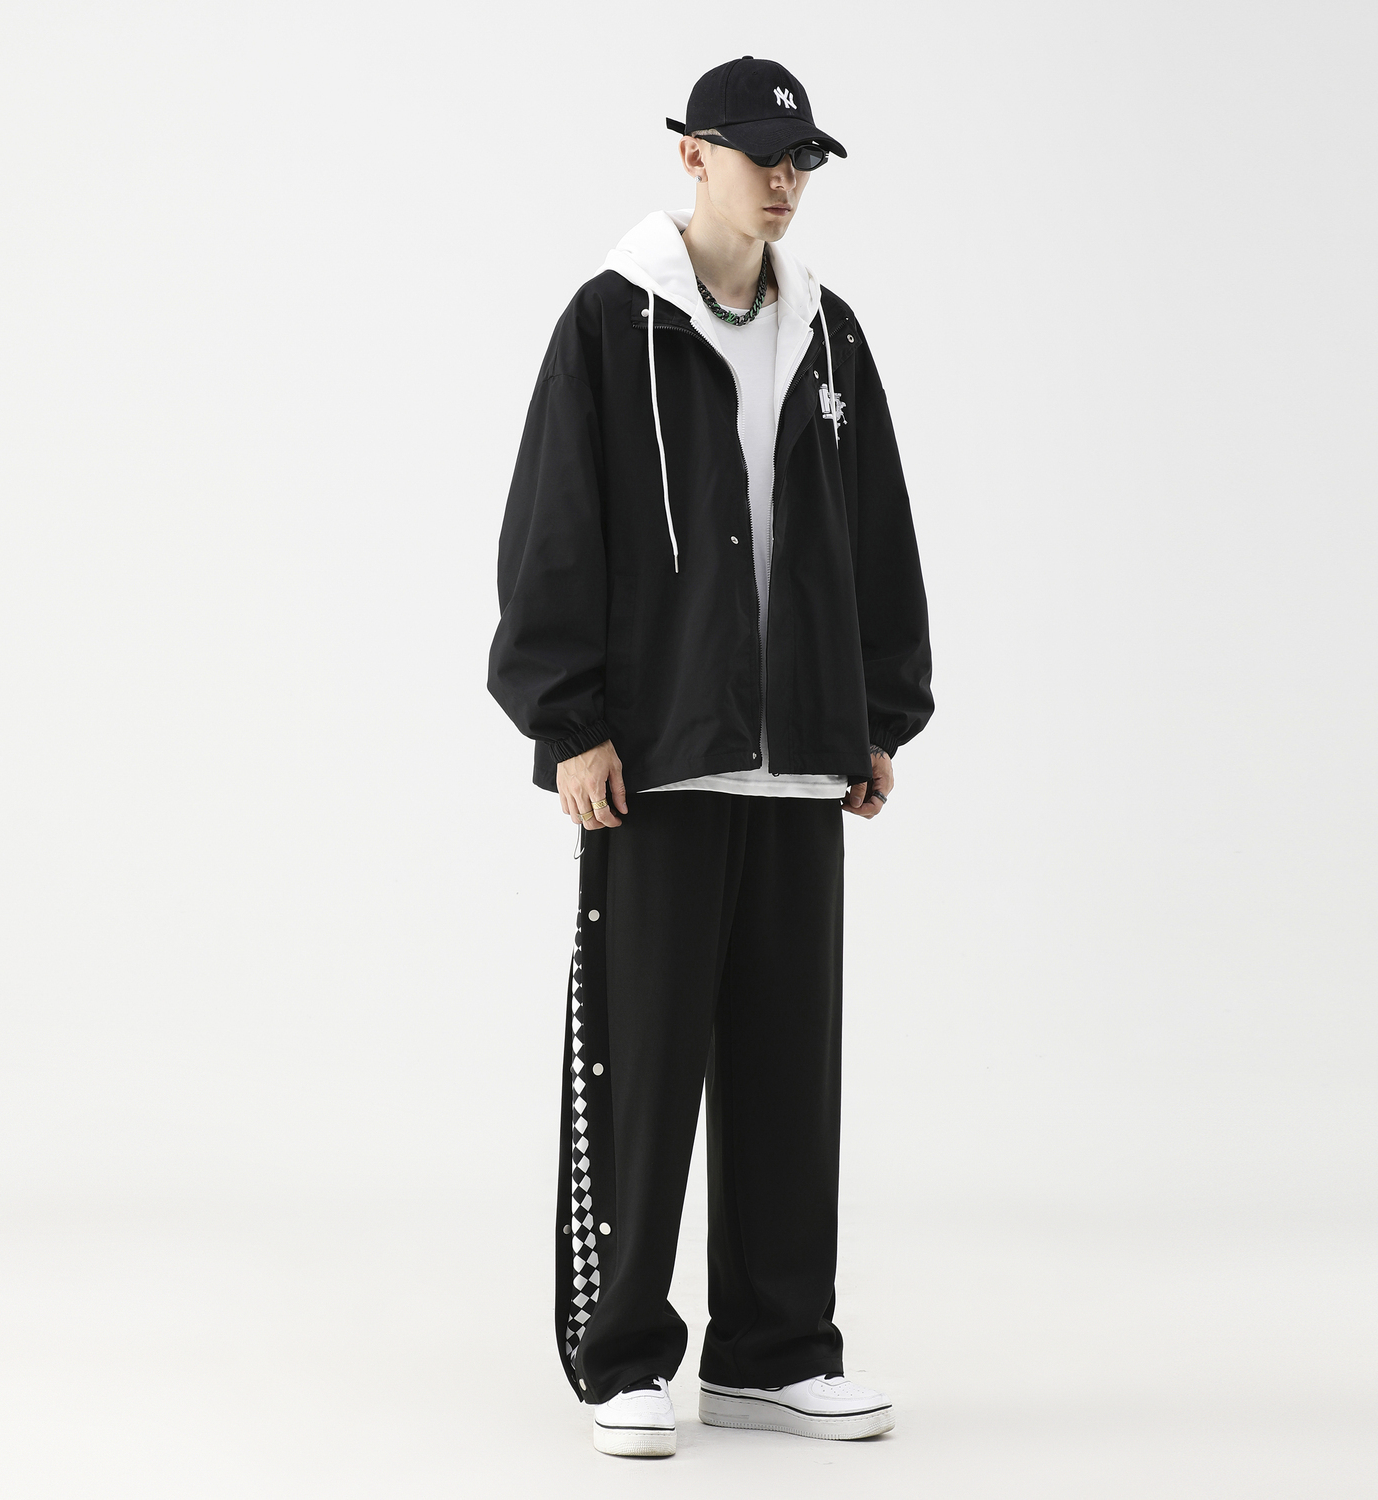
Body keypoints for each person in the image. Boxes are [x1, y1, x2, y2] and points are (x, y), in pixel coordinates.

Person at [487, 55, 934, 1459]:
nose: (784, 180)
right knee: (643, 1068)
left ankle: (774, 1350)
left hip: (797, 761)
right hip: (659, 763)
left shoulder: (830, 334)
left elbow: (875, 532)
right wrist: (567, 723)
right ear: (692, 154)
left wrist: (875, 713)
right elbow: (555, 526)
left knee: (789, 1077)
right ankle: (623, 1353)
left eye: (802, 160)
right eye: (759, 156)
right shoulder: (610, 322)